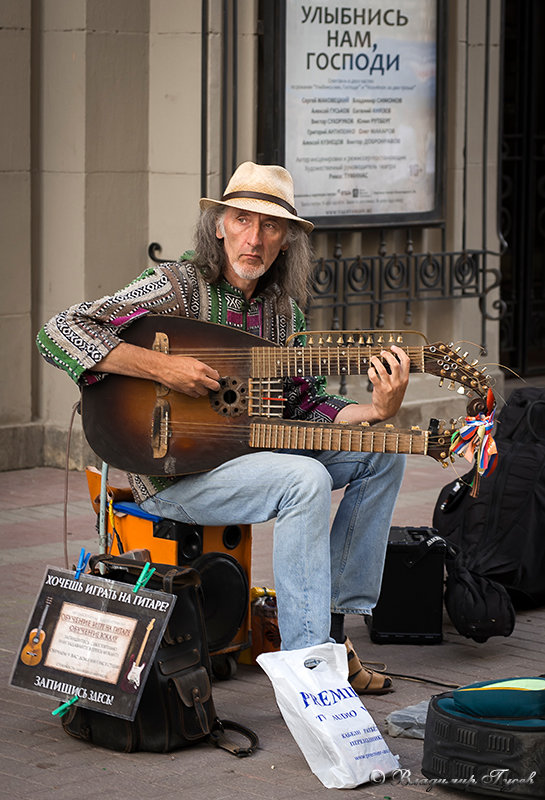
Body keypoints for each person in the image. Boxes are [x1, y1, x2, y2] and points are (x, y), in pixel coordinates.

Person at [38, 161, 410, 694]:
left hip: (255, 457)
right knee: (301, 480)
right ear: (218, 226)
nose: (254, 239)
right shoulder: (174, 288)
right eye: (241, 220)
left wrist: (378, 409)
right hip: (177, 474)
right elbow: (60, 331)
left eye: (271, 227)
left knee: (383, 452)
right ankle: (310, 677)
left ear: (287, 242)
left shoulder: (286, 315)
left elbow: (308, 409)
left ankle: (331, 629)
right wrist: (163, 368)